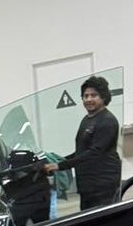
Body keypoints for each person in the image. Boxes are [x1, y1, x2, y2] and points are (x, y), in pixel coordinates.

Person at [43, 76, 121, 211]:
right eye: (85, 96)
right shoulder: (87, 119)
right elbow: (82, 151)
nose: (88, 99)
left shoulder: (107, 121)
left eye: (93, 95)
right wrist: (60, 159)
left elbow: (94, 153)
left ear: (103, 97)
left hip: (102, 185)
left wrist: (60, 165)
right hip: (87, 185)